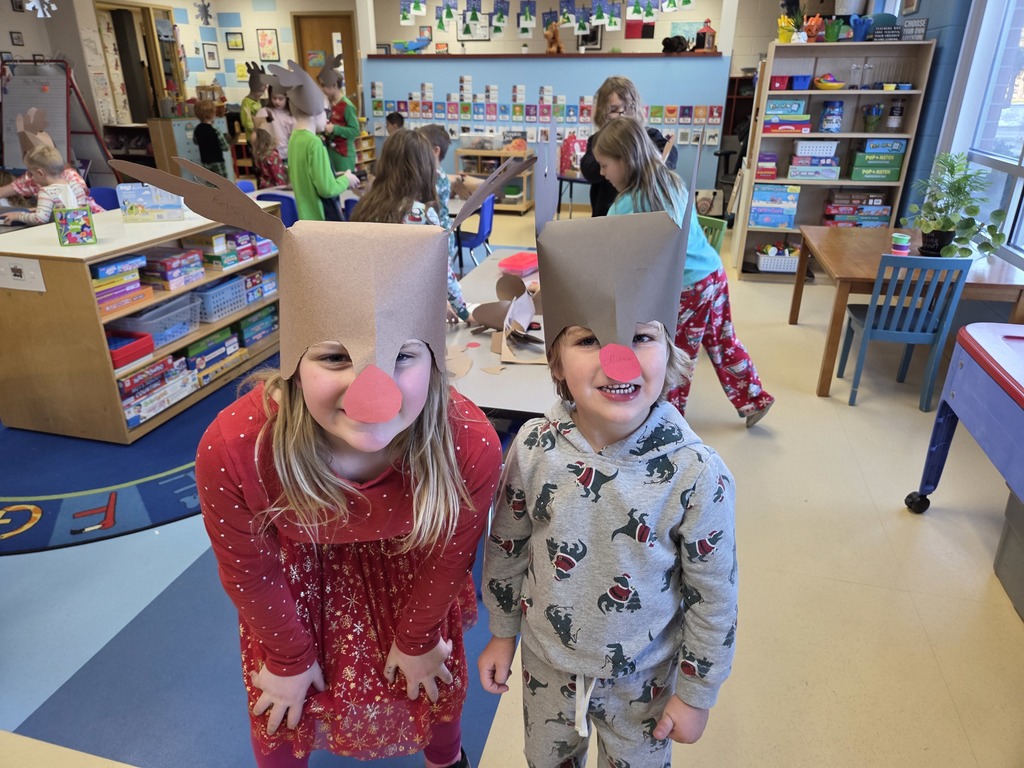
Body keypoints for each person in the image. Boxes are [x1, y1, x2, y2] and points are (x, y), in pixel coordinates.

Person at [195, 203, 503, 768]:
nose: (372, 392)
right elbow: (249, 571)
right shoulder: (238, 450)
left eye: (403, 355)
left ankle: (446, 756)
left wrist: (417, 637)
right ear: (294, 360)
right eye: (336, 357)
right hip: (293, 586)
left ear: (433, 359)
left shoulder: (467, 444)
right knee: (282, 703)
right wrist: (288, 657)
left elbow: (452, 553)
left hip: (415, 573)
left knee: (434, 679)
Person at [478, 211, 738, 768]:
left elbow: (713, 596)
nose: (617, 359)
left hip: (645, 679)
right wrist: (501, 632)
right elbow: (507, 546)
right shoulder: (533, 447)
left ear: (669, 352)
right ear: (556, 362)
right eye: (589, 339)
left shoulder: (697, 474)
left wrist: (697, 692)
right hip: (547, 666)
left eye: (641, 337)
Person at [592, 117, 773, 426]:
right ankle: (755, 399)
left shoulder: (626, 205)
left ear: (624, 160)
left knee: (672, 356)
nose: (602, 173)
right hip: (712, 273)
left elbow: (614, 260)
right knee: (723, 340)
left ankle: (667, 422)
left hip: (687, 287)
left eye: (605, 165)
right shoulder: (670, 180)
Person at [351, 129, 471, 323]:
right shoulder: (422, 214)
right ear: (424, 168)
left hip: (367, 310)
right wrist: (463, 311)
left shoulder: (363, 208)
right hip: (409, 314)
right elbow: (442, 271)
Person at [579, 76, 678, 217]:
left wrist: (640, 155)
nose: (622, 115)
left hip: (640, 213)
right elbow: (589, 171)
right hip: (604, 216)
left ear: (635, 108)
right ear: (602, 112)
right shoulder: (597, 141)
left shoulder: (648, 135)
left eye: (628, 108)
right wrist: (609, 155)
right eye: (613, 109)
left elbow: (670, 153)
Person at [276, 61, 360, 221]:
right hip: (321, 220)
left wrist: (334, 175)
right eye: (326, 112)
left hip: (305, 218)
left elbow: (306, 179)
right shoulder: (314, 143)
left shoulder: (294, 138)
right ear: (316, 111)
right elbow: (327, 189)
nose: (327, 118)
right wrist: (346, 180)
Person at [0, 107, 104, 214]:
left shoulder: (70, 177)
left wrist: (33, 211)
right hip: (62, 220)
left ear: (40, 172)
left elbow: (74, 203)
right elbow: (5, 190)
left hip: (90, 217)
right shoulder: (32, 180)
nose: (30, 176)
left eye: (32, 171)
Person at [1, 145, 89, 225]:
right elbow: (80, 211)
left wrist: (18, 216)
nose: (32, 178)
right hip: (81, 231)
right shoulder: (75, 186)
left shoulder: (46, 192)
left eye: (31, 174)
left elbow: (40, 219)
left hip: (58, 234)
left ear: (40, 173)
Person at [318, 55, 361, 173]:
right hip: (329, 151)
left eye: (324, 86)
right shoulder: (328, 103)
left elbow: (355, 131)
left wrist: (335, 129)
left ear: (335, 85)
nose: (322, 89)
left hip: (343, 155)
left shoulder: (347, 106)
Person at [254, 85, 296, 163]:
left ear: (287, 98)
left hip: (286, 155)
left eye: (280, 99)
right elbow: (258, 135)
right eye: (274, 98)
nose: (277, 101)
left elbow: (294, 138)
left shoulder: (291, 116)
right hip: (267, 156)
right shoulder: (263, 112)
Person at [193, 99, 230, 178]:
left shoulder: (197, 129)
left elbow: (195, 141)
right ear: (213, 114)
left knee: (210, 181)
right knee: (223, 182)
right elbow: (225, 147)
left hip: (205, 161)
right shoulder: (216, 130)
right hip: (218, 161)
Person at [241, 62, 268, 144]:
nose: (262, 94)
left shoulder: (257, 101)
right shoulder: (246, 102)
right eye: (261, 91)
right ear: (254, 89)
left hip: (261, 137)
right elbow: (247, 122)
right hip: (253, 138)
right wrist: (256, 130)